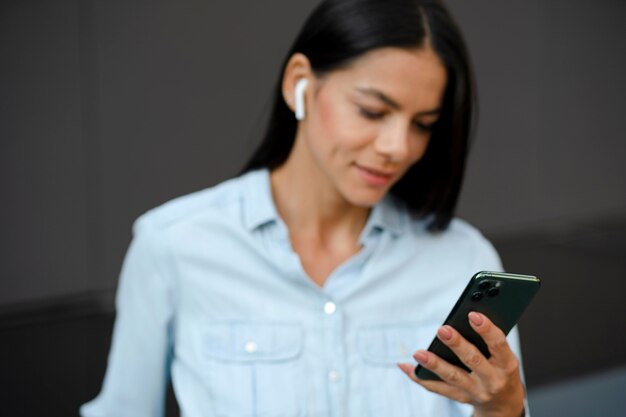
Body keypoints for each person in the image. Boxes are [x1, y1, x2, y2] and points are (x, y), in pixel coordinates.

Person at [81, 0, 529, 416]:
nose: (398, 147)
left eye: (422, 125)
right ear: (300, 83)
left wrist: (506, 411)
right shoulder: (174, 246)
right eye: (372, 111)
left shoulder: (465, 261)